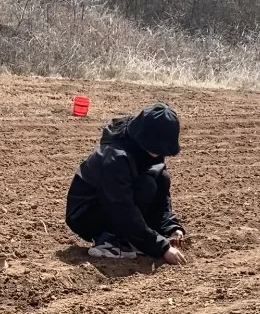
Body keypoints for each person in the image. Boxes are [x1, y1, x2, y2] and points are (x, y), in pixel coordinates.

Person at [65, 102, 187, 264]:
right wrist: (161, 247)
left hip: (114, 206)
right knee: (146, 185)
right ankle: (110, 241)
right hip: (86, 215)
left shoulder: (148, 148)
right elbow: (122, 208)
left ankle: (131, 238)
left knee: (159, 178)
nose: (159, 154)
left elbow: (161, 196)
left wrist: (171, 227)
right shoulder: (114, 158)